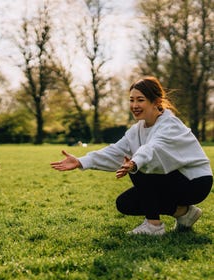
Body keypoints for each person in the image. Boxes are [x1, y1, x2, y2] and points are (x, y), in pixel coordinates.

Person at [50, 76, 213, 235]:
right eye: (131, 100)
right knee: (126, 204)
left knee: (139, 170)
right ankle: (185, 213)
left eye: (140, 100)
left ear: (156, 101)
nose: (134, 105)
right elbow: (115, 151)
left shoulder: (170, 125)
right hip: (172, 180)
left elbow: (152, 149)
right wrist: (81, 161)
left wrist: (135, 163)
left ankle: (153, 226)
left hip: (195, 183)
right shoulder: (137, 129)